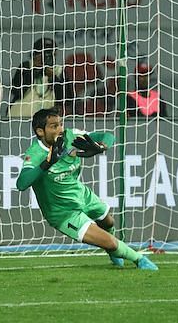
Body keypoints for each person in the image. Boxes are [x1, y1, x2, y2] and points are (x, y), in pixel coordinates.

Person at [15, 108, 158, 270]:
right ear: (40, 131)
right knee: (110, 242)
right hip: (63, 213)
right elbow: (21, 184)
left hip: (82, 195)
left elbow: (108, 136)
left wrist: (102, 146)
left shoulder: (71, 136)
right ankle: (139, 259)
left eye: (60, 124)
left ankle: (113, 251)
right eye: (54, 126)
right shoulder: (35, 153)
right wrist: (47, 163)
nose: (60, 129)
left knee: (108, 221)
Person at [9, 37, 72, 117]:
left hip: (45, 121)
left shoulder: (59, 71)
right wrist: (34, 71)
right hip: (20, 116)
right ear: (35, 54)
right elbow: (16, 91)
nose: (48, 56)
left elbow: (66, 101)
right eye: (45, 52)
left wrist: (53, 78)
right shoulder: (26, 67)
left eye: (51, 53)